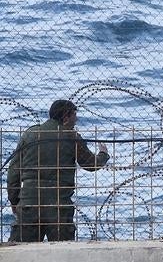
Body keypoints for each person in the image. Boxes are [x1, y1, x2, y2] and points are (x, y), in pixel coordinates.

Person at [7, 99, 110, 242]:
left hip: (29, 204)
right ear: (66, 117)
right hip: (58, 206)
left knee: (21, 251)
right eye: (74, 115)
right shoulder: (71, 136)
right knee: (64, 256)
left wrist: (14, 200)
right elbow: (91, 164)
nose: (77, 119)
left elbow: (13, 172)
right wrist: (103, 155)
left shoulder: (29, 135)